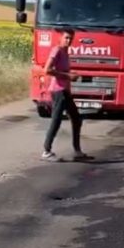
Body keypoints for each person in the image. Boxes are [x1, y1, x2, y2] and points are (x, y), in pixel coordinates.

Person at [41, 29, 91, 162]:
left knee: (76, 118)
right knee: (56, 120)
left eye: (71, 39)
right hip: (58, 91)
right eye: (66, 38)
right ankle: (46, 150)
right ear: (61, 38)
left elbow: (62, 71)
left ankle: (77, 150)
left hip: (65, 91)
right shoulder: (56, 50)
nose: (68, 41)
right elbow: (47, 70)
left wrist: (71, 75)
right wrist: (68, 76)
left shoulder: (65, 52)